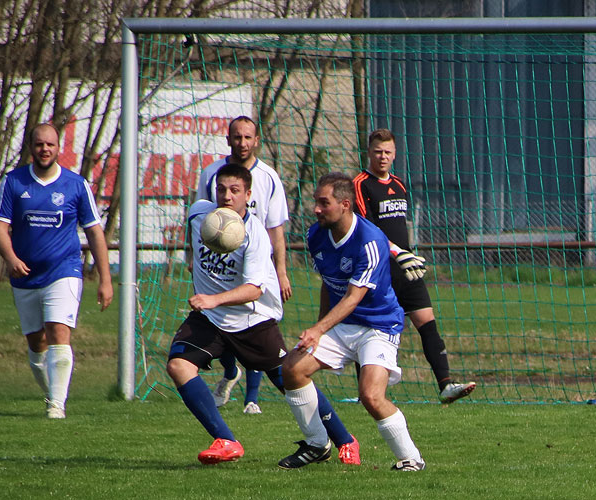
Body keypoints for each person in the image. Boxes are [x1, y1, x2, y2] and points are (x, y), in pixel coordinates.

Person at [168, 163, 360, 465]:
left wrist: (212, 299)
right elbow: (194, 243)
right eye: (221, 189)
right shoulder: (199, 214)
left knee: (291, 378)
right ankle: (226, 440)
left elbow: (253, 290)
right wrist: (194, 261)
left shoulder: (254, 234)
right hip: (212, 317)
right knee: (179, 366)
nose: (227, 196)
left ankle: (345, 440)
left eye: (235, 191)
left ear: (248, 195)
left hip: (252, 319)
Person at [280, 172, 425, 471]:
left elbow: (352, 297)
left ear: (345, 204)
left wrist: (319, 329)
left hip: (378, 325)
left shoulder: (370, 241)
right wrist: (321, 327)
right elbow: (328, 283)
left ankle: (411, 459)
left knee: (371, 395)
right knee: (292, 369)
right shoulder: (315, 235)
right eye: (316, 202)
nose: (316, 209)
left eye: (324, 203)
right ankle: (317, 445)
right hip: (342, 324)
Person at [0, 123, 113, 419]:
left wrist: (105, 280)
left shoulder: (75, 184)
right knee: (37, 342)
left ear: (59, 148)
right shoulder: (14, 182)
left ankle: (57, 405)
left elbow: (95, 233)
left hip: (65, 269)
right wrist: (11, 258)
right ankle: (52, 395)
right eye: (39, 144)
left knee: (58, 331)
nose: (45, 149)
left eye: (50, 145)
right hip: (25, 275)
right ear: (31, 147)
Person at [353, 128, 476, 404]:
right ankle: (366, 393)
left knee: (427, 323)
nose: (382, 157)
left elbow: (400, 227)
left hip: (405, 267)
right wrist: (396, 252)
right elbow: (366, 230)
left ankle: (445, 384)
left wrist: (407, 253)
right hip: (378, 268)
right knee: (370, 329)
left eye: (387, 152)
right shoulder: (360, 184)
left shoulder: (399, 184)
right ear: (369, 153)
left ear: (394, 154)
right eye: (377, 152)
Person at [197, 116, 290, 414]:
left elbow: (276, 228)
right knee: (217, 318)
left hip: (255, 259)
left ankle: (252, 398)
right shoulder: (212, 174)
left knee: (253, 321)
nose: (242, 143)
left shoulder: (269, 177)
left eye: (248, 137)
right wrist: (193, 259)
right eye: (237, 137)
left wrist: (282, 271)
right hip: (218, 262)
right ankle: (228, 371)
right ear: (228, 139)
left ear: (256, 140)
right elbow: (202, 221)